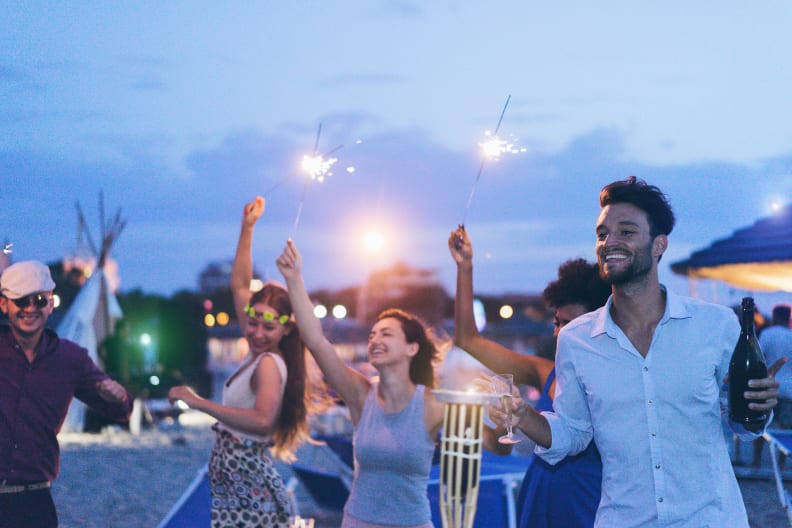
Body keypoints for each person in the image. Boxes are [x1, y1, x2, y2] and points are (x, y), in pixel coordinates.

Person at [494, 177, 785, 527]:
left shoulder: (716, 325)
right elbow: (573, 433)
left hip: (710, 518)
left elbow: (743, 425)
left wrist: (757, 405)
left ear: (659, 244)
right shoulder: (576, 340)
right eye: (602, 234)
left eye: (626, 232)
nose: (609, 242)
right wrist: (525, 416)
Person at [168, 197, 322, 528]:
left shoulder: (269, 363)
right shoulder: (257, 353)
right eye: (253, 322)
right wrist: (247, 227)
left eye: (269, 327)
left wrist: (198, 402)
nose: (258, 332)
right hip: (236, 479)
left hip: (249, 483)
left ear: (286, 329)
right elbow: (239, 285)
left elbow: (263, 421)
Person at [277, 238, 445, 528]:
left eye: (386, 334)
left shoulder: (431, 403)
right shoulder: (361, 396)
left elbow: (485, 444)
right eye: (372, 335)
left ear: (412, 348)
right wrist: (293, 279)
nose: (375, 340)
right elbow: (316, 341)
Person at [449, 228, 609, 528]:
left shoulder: (617, 380)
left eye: (571, 324)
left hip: (586, 507)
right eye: (557, 323)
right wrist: (465, 267)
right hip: (539, 497)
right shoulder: (546, 372)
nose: (561, 332)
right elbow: (468, 340)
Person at [0, 260, 132, 528]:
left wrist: (118, 397)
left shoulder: (70, 358)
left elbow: (121, 410)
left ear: (50, 303)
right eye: (20, 300)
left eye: (38, 300)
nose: (30, 309)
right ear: (4, 305)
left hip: (34, 500)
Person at [753, 303, 792, 467]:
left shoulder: (767, 334)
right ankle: (781, 464)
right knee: (786, 428)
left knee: (760, 425)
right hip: (789, 388)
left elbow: (759, 358)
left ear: (775, 316)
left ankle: (756, 462)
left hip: (768, 386)